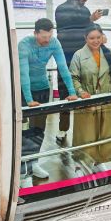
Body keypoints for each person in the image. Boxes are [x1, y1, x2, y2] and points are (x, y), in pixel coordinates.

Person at [18, 18, 78, 186]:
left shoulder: (54, 42)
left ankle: (33, 163)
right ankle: (21, 170)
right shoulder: (24, 45)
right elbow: (23, 74)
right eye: (43, 37)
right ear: (35, 33)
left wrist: (72, 92)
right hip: (23, 90)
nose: (47, 40)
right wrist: (29, 100)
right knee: (21, 130)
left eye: (49, 36)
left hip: (43, 88)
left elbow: (63, 68)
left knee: (38, 129)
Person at [69, 24, 111, 173]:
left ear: (102, 37)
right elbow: (73, 77)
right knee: (86, 132)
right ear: (85, 38)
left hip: (106, 98)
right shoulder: (78, 55)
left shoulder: (108, 53)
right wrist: (81, 92)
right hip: (87, 99)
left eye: (98, 37)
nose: (95, 41)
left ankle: (99, 160)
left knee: (104, 130)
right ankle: (82, 160)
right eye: (91, 38)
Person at [54, 0, 107, 142]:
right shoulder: (62, 9)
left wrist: (98, 32)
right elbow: (68, 25)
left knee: (84, 90)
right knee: (66, 93)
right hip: (66, 57)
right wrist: (90, 19)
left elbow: (89, 30)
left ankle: (85, 130)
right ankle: (63, 130)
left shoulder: (84, 11)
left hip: (82, 57)